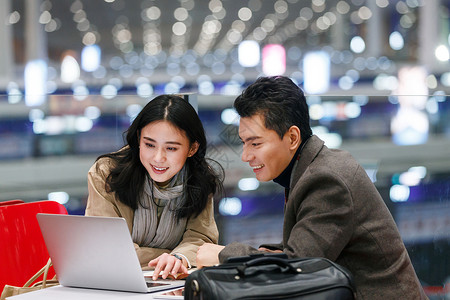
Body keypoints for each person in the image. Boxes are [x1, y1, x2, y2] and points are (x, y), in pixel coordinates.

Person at [196, 76, 427, 299]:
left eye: (255, 143)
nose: (246, 155)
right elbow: (298, 253)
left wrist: (222, 254)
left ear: (293, 138)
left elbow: (297, 267)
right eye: (244, 143)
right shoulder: (310, 166)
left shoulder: (326, 179)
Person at [85, 94, 223, 280]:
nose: (158, 158)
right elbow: (107, 248)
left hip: (168, 281)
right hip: (112, 279)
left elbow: (200, 238)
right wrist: (169, 256)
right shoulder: (106, 173)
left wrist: (177, 257)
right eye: (149, 144)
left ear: (192, 149)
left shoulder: (199, 178)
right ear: (138, 139)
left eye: (171, 148)